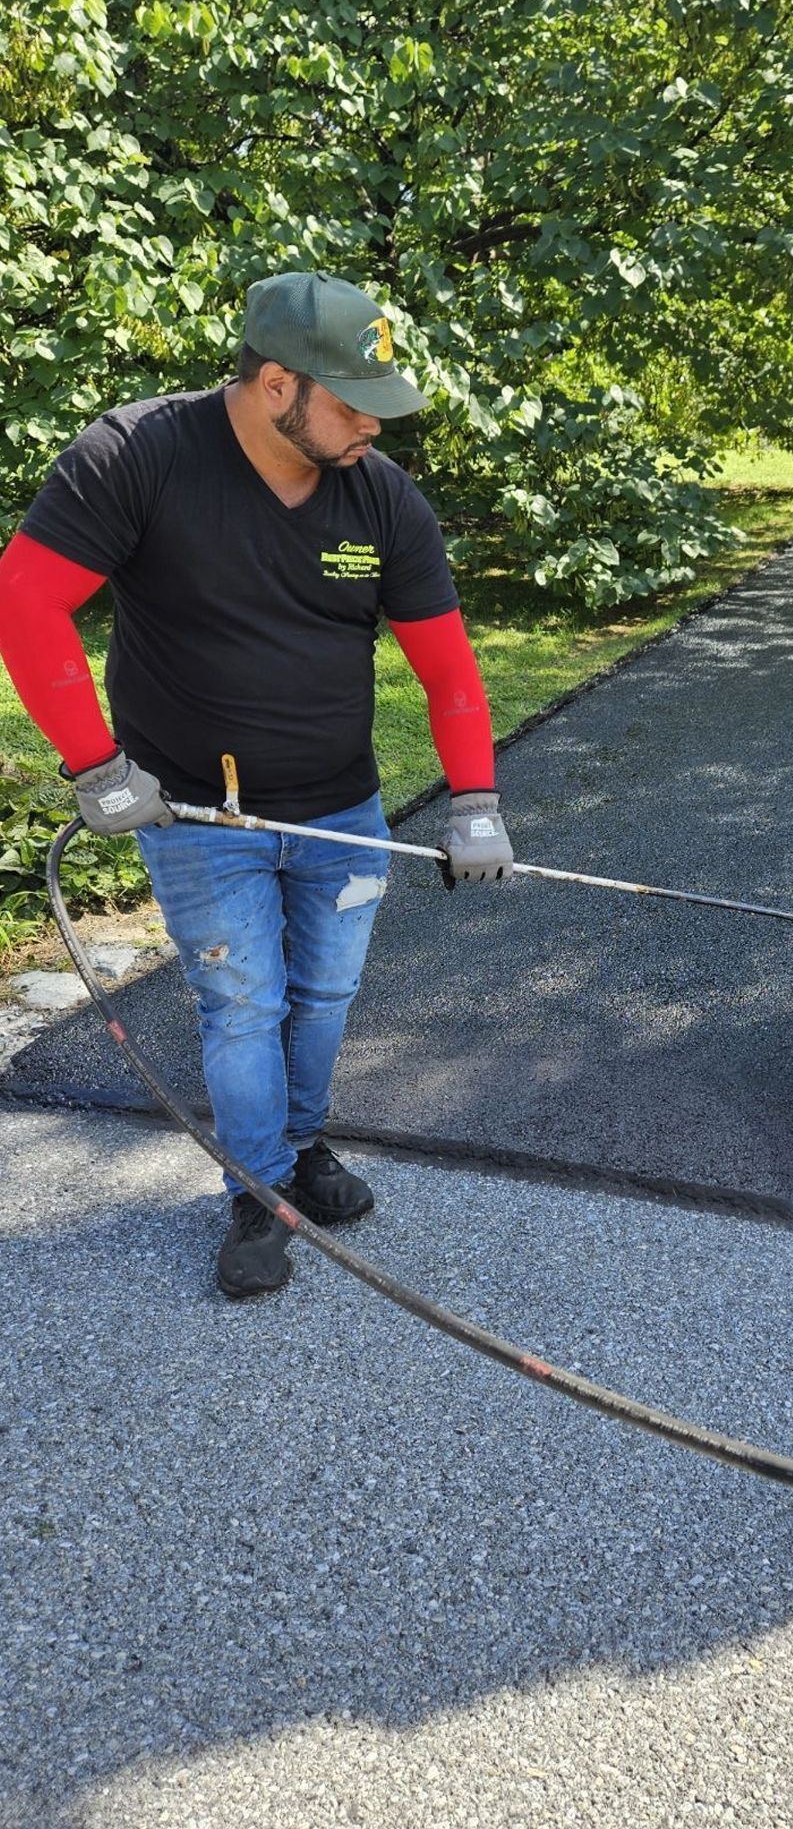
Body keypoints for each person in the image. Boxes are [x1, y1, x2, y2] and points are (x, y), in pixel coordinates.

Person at [0, 270, 513, 1299]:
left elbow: (449, 668)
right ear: (278, 384)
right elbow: (24, 598)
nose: (374, 422)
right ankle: (259, 1187)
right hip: (197, 812)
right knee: (242, 1003)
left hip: (341, 809)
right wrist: (98, 766)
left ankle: (301, 1144)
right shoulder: (137, 457)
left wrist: (476, 800)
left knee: (323, 994)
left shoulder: (382, 494)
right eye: (353, 401)